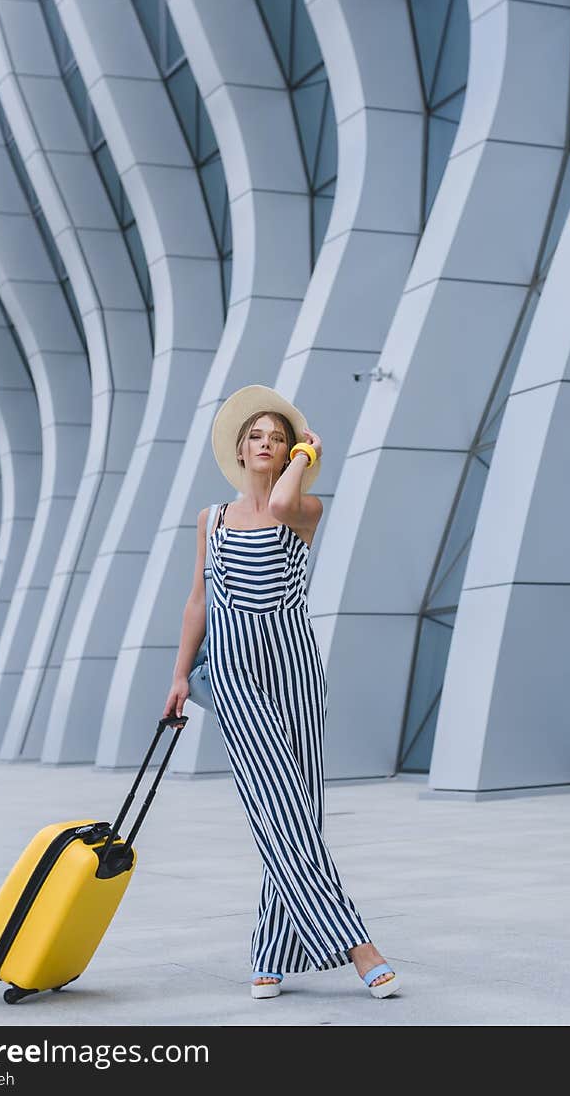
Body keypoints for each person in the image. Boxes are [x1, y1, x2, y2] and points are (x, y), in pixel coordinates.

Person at [164, 383, 401, 1001]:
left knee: (299, 813)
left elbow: (282, 502)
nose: (266, 445)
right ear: (240, 451)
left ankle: (269, 950)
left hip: (294, 666)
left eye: (277, 438)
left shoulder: (305, 508)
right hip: (236, 672)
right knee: (277, 811)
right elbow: (198, 601)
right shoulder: (210, 519)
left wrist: (305, 455)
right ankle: (359, 947)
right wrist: (180, 674)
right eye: (257, 438)